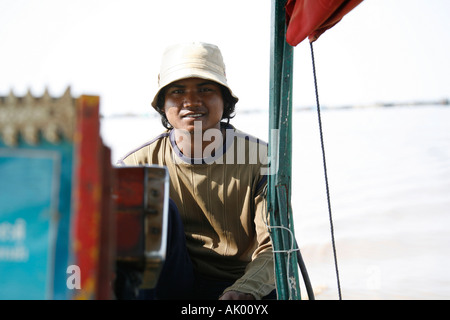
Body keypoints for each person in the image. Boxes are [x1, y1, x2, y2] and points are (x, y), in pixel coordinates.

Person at [118, 42, 275, 300]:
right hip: (171, 283)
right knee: (155, 204)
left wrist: (245, 290)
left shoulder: (261, 158)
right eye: (178, 92)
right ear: (163, 104)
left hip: (242, 281)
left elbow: (276, 246)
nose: (191, 101)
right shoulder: (138, 163)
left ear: (224, 99)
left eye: (205, 89)